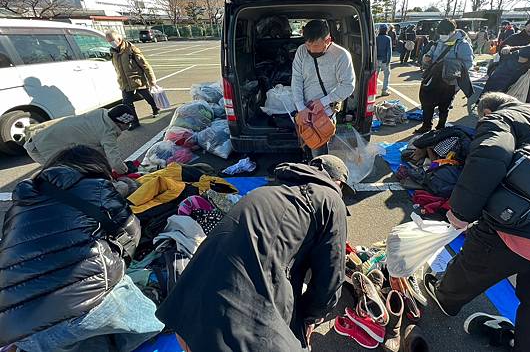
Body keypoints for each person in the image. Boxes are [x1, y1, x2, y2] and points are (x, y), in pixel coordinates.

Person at [424, 92, 530, 352]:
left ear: (486, 112)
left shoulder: (501, 118)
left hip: (527, 227)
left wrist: (460, 213)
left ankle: (445, 298)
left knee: (472, 264)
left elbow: (491, 154)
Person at [156, 155, 353, 351]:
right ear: (337, 183)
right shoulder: (331, 199)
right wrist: (310, 319)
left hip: (188, 304)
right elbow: (331, 276)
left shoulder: (270, 191)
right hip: (235, 308)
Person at [0, 145, 163, 351]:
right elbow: (130, 231)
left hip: (19, 329)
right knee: (157, 328)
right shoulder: (96, 187)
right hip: (87, 309)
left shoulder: (20, 203)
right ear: (96, 166)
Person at [292, 20, 356, 156]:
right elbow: (296, 80)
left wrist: (324, 102)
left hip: (324, 114)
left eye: (315, 45)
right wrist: (301, 108)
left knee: (319, 152)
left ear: (328, 40)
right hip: (304, 111)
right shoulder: (301, 51)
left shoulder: (341, 55)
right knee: (305, 145)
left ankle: (319, 173)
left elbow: (348, 85)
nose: (311, 50)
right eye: (308, 44)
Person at [23, 104, 135, 175]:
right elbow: (114, 160)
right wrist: (125, 171)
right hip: (39, 149)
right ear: (121, 123)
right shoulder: (108, 133)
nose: (128, 127)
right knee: (69, 175)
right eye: (127, 125)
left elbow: (99, 151)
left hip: (38, 136)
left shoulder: (101, 113)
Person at [415, 19, 474, 134]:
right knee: (427, 103)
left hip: (449, 82)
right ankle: (426, 125)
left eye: (445, 33)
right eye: (440, 33)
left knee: (444, 106)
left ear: (452, 31)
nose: (442, 36)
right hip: (434, 78)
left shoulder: (462, 45)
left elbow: (468, 64)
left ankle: (440, 127)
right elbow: (430, 54)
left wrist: (449, 67)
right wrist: (426, 58)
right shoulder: (439, 41)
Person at [105, 29, 160, 130]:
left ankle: (155, 107)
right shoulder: (113, 52)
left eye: (112, 40)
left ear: (119, 38)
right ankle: (134, 122)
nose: (111, 43)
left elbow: (145, 65)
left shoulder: (131, 49)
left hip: (137, 80)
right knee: (127, 103)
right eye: (108, 41)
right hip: (124, 83)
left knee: (147, 96)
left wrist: (151, 79)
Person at [376, 24, 393, 96]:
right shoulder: (388, 38)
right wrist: (388, 61)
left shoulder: (376, 38)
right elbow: (389, 51)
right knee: (386, 75)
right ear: (386, 30)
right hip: (384, 60)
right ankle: (384, 90)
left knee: (374, 76)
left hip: (376, 59)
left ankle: (372, 90)